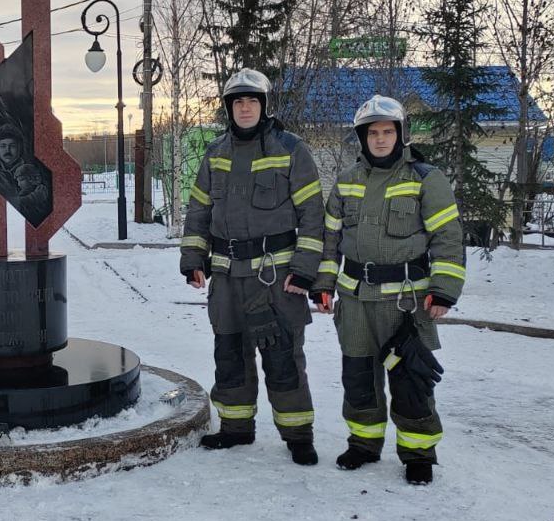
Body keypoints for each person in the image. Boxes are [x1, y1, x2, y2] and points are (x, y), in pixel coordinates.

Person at [310, 95, 466, 485]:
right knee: (358, 377)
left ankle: (418, 454)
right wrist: (324, 284)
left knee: (410, 378)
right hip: (355, 298)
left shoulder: (426, 178)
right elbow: (330, 241)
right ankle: (364, 443)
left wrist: (445, 289)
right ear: (362, 138)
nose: (380, 139)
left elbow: (448, 238)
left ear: (400, 134)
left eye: (387, 131)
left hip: (406, 301)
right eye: (372, 133)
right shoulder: (346, 181)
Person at [179, 68, 325, 465]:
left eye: (252, 101)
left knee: (282, 357)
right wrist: (192, 258)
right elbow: (199, 211)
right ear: (229, 108)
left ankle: (298, 435)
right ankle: (236, 428)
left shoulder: (291, 150)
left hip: (275, 277)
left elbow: (313, 214)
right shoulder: (215, 153)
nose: (245, 108)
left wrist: (306, 268)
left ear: (264, 106)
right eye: (238, 102)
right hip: (226, 278)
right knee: (229, 353)